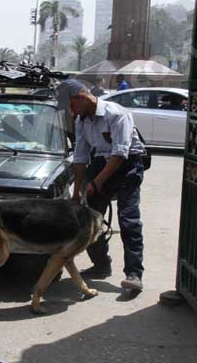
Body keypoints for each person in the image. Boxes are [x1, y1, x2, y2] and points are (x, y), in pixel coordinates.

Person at [60, 79, 146, 292]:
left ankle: (134, 274)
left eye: (72, 106)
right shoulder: (81, 120)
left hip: (127, 166)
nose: (72, 112)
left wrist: (97, 183)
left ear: (82, 97)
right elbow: (80, 156)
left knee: (128, 220)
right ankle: (101, 265)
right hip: (100, 164)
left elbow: (119, 154)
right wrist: (78, 191)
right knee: (90, 220)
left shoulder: (117, 114)